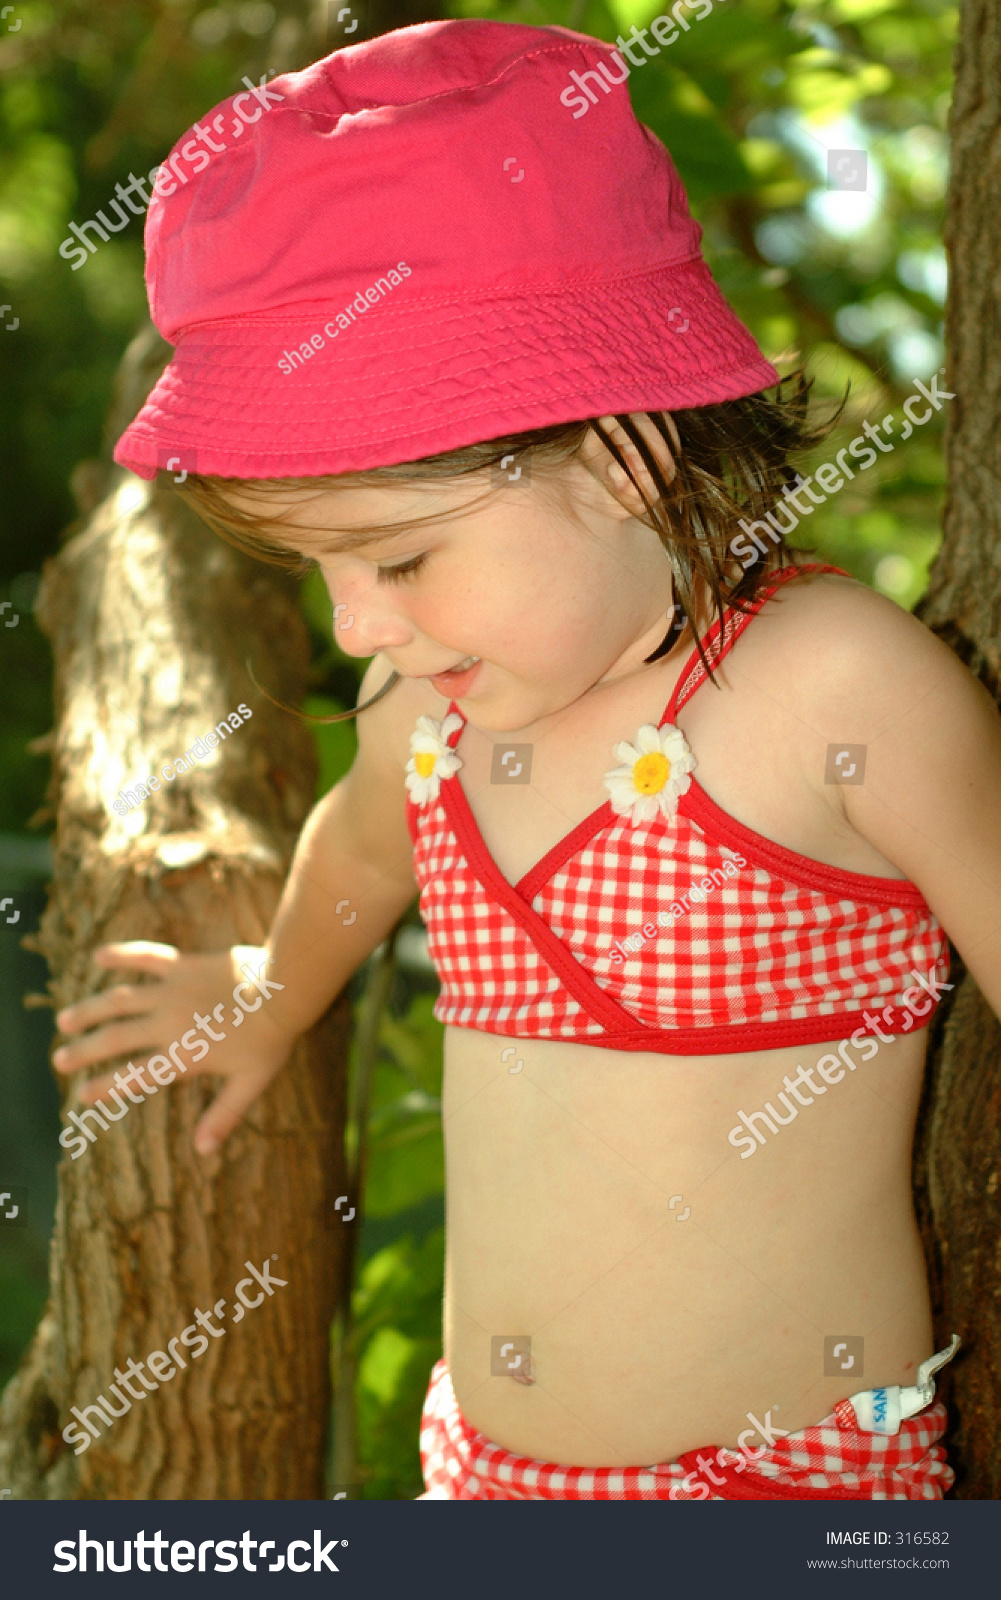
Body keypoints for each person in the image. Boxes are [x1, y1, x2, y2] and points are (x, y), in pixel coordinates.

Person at [53, 19, 999, 1501]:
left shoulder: (832, 687)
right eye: (323, 574)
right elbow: (360, 854)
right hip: (482, 1476)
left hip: (781, 1496)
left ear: (621, 458)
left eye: (404, 558)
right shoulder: (425, 709)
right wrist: (266, 997)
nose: (358, 622)